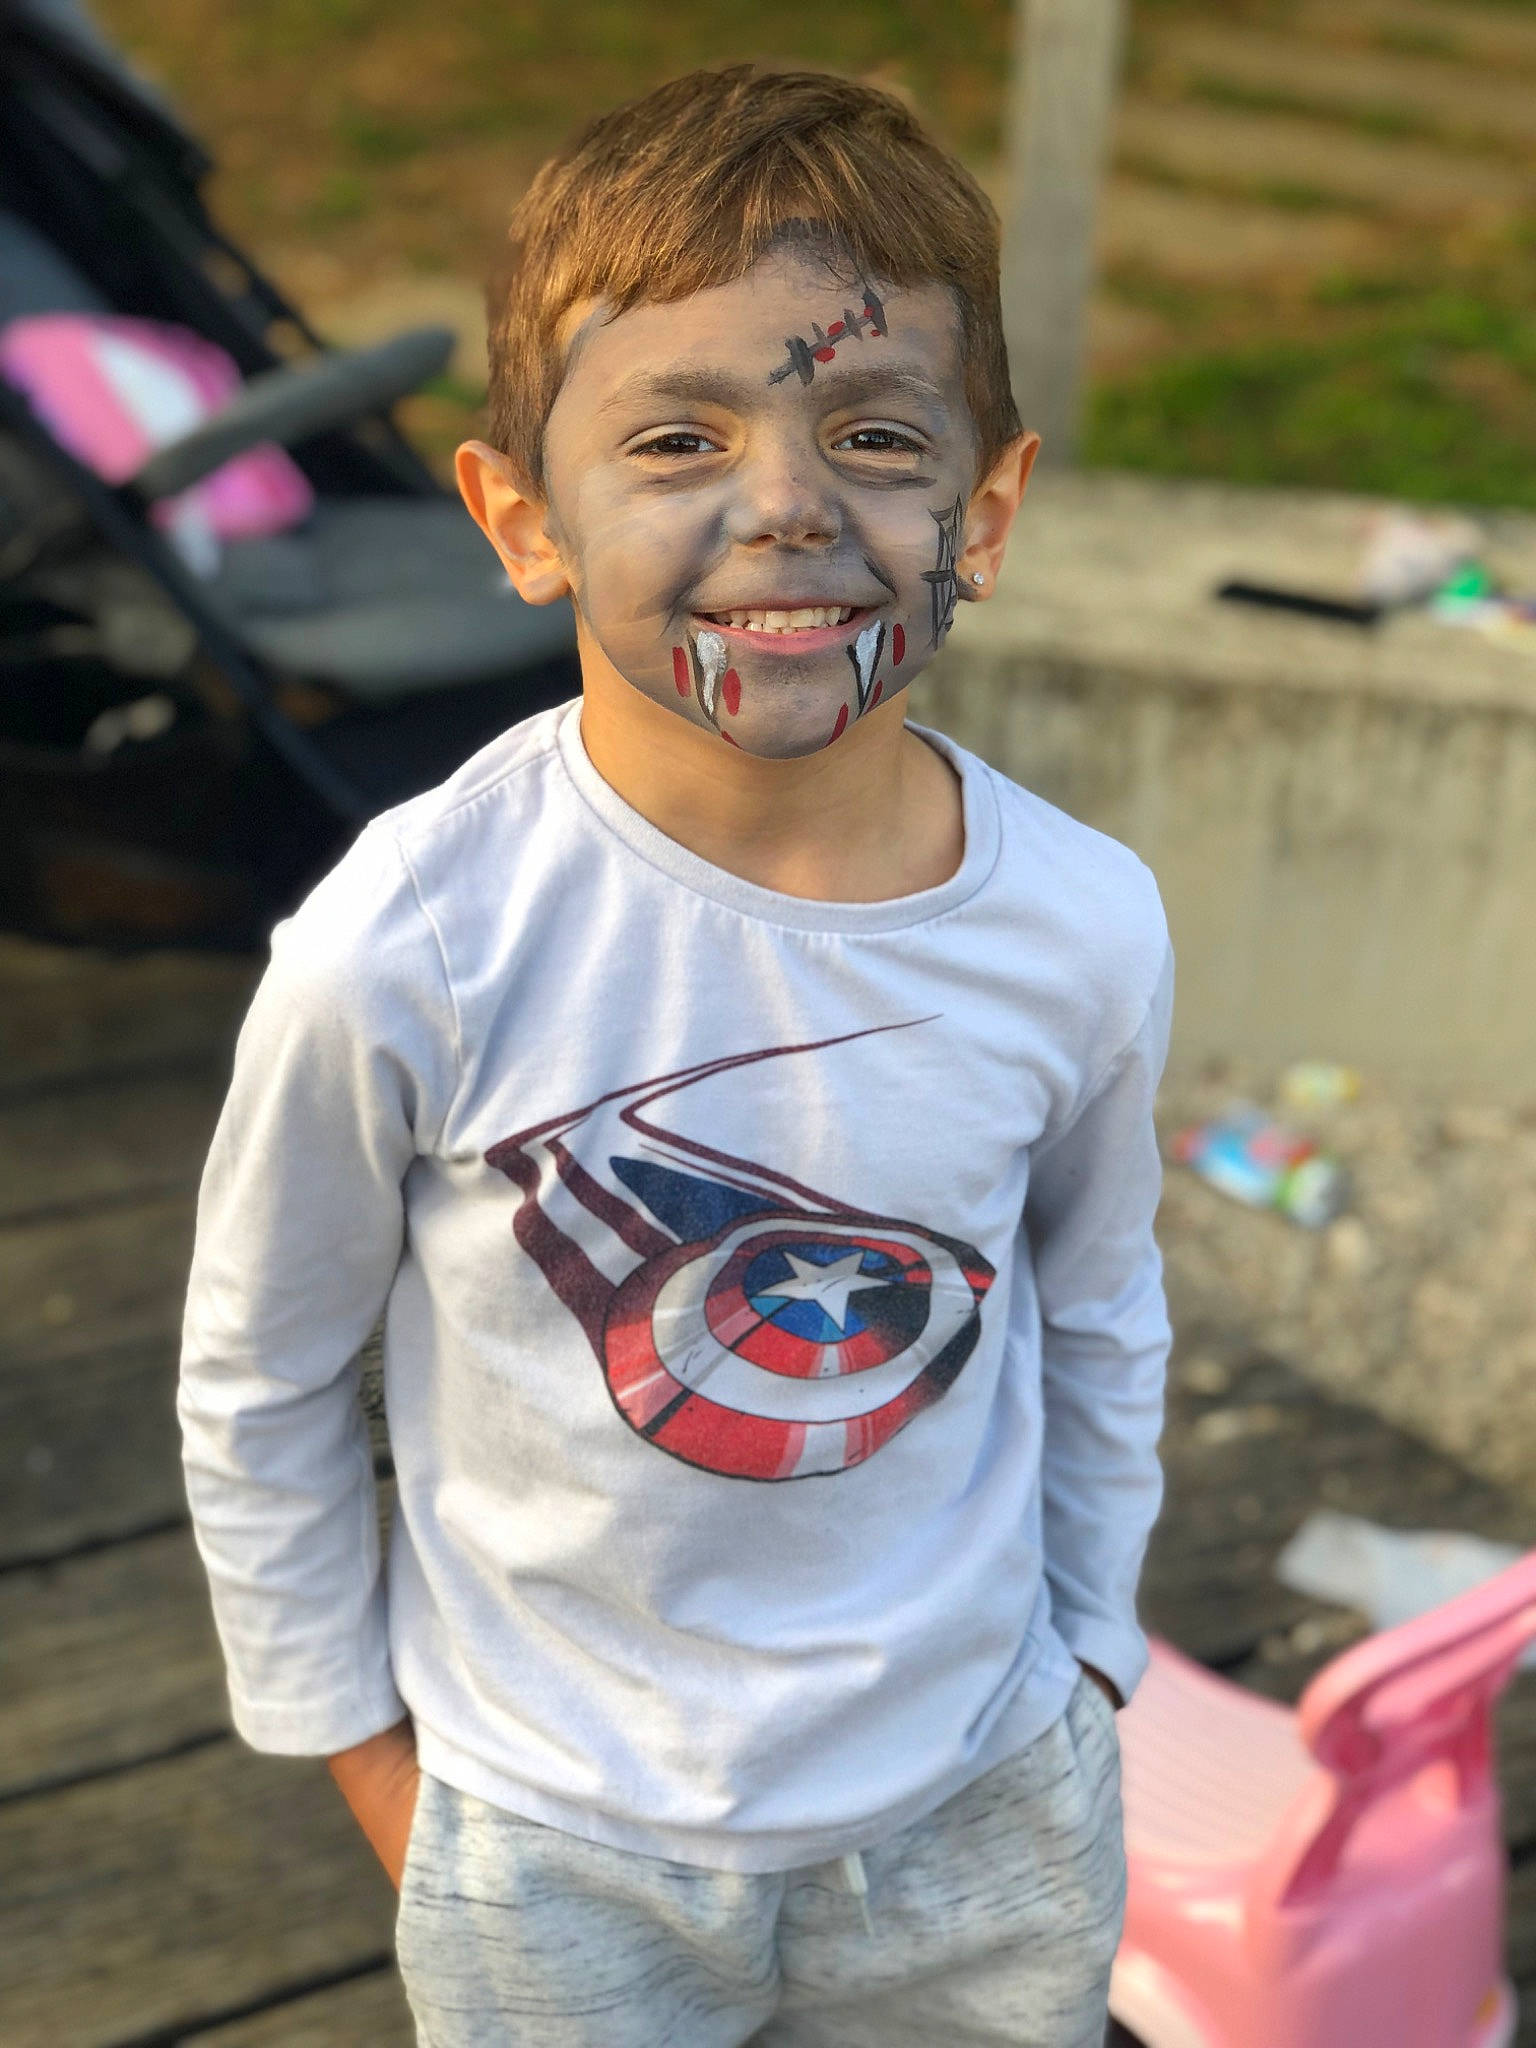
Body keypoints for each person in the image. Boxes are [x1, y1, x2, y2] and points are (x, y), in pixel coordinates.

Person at [179, 63, 1173, 2048]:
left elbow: (1099, 1303)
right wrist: (376, 1769)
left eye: (875, 434)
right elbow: (260, 1373)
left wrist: (1091, 1653)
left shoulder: (1082, 922)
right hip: (556, 1846)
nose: (788, 502)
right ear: (522, 520)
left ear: (984, 514)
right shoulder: (410, 941)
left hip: (984, 1810)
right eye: (676, 436)